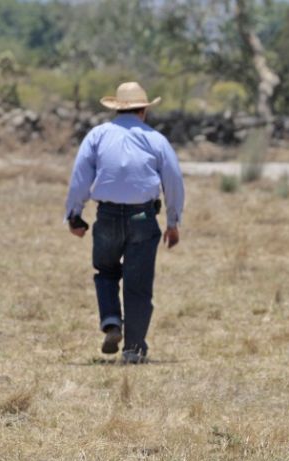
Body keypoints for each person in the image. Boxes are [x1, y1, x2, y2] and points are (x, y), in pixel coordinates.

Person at [64, 81, 185, 364]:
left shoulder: (98, 136)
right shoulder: (156, 140)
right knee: (138, 284)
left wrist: (74, 214)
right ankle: (133, 349)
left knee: (105, 272)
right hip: (143, 217)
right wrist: (173, 221)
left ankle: (110, 322)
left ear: (117, 109)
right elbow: (174, 182)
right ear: (144, 110)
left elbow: (80, 177)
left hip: (106, 216)